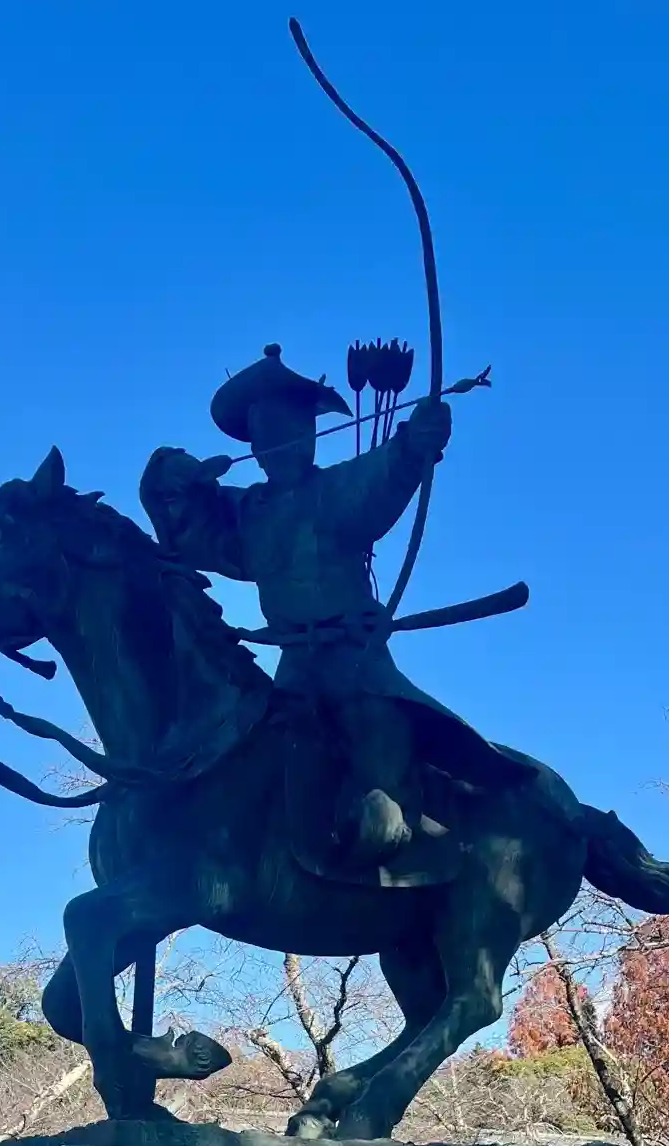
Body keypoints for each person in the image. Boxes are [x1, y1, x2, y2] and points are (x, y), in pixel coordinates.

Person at [140, 345, 520, 871]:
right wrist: (172, 473)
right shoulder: (246, 513)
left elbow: (388, 469)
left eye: (291, 429)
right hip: (294, 669)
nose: (280, 444)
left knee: (373, 729)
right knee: (257, 750)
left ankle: (414, 842)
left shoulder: (336, 489)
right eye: (266, 434)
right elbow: (186, 527)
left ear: (311, 435)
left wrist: (417, 440)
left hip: (353, 660)